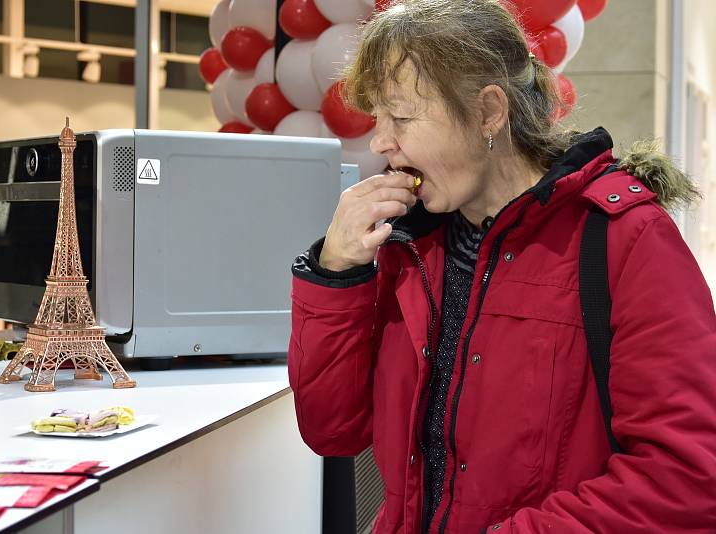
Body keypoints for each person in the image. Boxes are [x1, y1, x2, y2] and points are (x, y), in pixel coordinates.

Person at [287, 0, 716, 533]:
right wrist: (337, 270)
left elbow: (687, 478)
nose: (379, 141)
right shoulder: (411, 244)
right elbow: (333, 431)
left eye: (400, 116)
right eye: (377, 117)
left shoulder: (625, 237)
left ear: (490, 111)